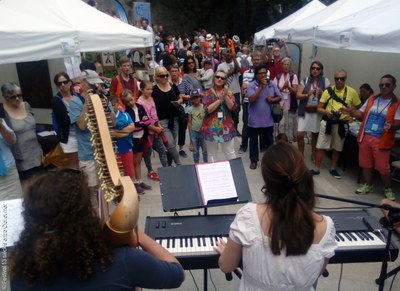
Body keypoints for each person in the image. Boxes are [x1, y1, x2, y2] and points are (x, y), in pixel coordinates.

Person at [9, 169, 185, 290]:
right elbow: (176, 274)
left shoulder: (21, 270)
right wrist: (137, 233)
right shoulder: (122, 262)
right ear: (86, 215)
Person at [214, 143, 337, 291]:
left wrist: (226, 253)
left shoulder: (248, 215)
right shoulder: (326, 225)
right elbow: (315, 274)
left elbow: (226, 266)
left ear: (267, 180)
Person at [341, 74, 400, 200]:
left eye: (387, 84)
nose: (384, 87)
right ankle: (368, 185)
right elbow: (361, 115)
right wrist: (351, 112)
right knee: (365, 163)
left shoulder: (397, 103)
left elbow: (398, 123)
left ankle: (388, 188)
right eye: (381, 84)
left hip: (382, 139)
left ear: (394, 86)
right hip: (366, 136)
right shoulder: (372, 99)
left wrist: (392, 126)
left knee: (383, 167)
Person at [310, 69, 361, 179]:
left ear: (345, 79)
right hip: (327, 122)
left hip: (341, 124)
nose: (339, 81)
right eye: (336, 78)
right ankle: (316, 168)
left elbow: (360, 108)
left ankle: (333, 168)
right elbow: (319, 108)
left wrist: (352, 116)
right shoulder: (328, 91)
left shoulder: (351, 92)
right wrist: (326, 112)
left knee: (337, 148)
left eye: (341, 79)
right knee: (320, 146)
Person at [1, 82, 43, 181]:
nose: (17, 98)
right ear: (5, 97)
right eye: (12, 97)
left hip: (36, 153)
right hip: (21, 158)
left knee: (40, 185)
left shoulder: (26, 105)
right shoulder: (3, 111)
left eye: (19, 95)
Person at [246, 65, 281, 170]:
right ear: (256, 75)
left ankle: (270, 162)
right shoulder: (251, 85)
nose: (263, 75)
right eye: (260, 73)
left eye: (264, 73)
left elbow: (279, 97)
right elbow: (251, 99)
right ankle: (253, 161)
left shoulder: (271, 84)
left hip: (268, 120)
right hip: (254, 121)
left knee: (269, 143)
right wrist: (261, 87)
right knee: (253, 142)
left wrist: (272, 100)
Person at [296, 61, 330, 164]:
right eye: (313, 68)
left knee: (315, 133)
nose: (315, 70)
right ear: (310, 70)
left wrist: (323, 93)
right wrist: (307, 94)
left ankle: (313, 153)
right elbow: (298, 95)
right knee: (300, 134)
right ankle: (301, 154)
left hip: (317, 112)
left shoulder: (326, 81)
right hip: (305, 110)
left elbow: (330, 97)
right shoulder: (305, 80)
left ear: (321, 70)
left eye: (317, 68)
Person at [120, 89, 153, 193]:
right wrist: (141, 123)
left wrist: (142, 122)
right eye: (128, 101)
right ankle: (134, 183)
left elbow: (148, 120)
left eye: (131, 99)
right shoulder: (126, 111)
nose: (130, 102)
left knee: (139, 160)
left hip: (142, 136)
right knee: (134, 161)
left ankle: (139, 180)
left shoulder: (140, 106)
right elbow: (133, 126)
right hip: (133, 138)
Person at [201, 70, 237, 162]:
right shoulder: (208, 93)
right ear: (214, 78)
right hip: (211, 129)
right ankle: (213, 174)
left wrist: (225, 96)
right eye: (217, 77)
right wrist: (219, 100)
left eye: (222, 78)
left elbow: (232, 107)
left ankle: (234, 172)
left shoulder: (229, 93)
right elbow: (207, 110)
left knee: (230, 153)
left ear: (225, 80)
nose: (219, 79)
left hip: (226, 129)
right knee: (212, 155)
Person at [137, 81, 168, 181]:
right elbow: (144, 121)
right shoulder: (139, 103)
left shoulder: (151, 99)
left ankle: (166, 169)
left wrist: (158, 124)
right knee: (148, 152)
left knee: (162, 149)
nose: (150, 91)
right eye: (148, 89)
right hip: (148, 131)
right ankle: (150, 170)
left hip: (156, 129)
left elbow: (155, 114)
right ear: (141, 90)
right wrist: (155, 128)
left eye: (151, 89)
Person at [51, 72, 81, 169]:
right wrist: (79, 114)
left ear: (70, 82)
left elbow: (86, 113)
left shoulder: (78, 96)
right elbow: (66, 119)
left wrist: (72, 114)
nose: (63, 85)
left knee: (84, 162)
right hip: (69, 137)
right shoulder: (56, 100)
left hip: (81, 135)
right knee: (74, 165)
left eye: (65, 82)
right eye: (60, 83)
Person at [153, 66, 182, 166]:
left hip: (174, 118)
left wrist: (179, 102)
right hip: (162, 120)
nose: (165, 77)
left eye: (166, 75)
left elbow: (180, 96)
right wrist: (156, 122)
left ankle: (169, 163)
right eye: (162, 76)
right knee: (170, 144)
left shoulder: (172, 85)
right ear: (157, 77)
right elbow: (152, 107)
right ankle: (178, 164)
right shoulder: (154, 90)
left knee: (172, 143)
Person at [109, 94, 136, 191]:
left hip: (126, 147)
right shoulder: (106, 118)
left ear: (117, 104)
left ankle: (130, 191)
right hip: (114, 149)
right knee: (116, 173)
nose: (111, 107)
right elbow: (109, 134)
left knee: (129, 170)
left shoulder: (125, 115)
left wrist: (116, 132)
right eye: (109, 105)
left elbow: (132, 128)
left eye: (113, 105)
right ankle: (119, 193)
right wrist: (124, 132)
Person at [239, 51, 262, 154]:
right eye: (254, 59)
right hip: (247, 102)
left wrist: (250, 86)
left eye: (258, 59)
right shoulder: (246, 73)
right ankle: (243, 145)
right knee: (246, 124)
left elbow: (264, 86)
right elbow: (244, 87)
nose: (256, 61)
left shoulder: (266, 72)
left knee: (260, 125)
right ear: (251, 61)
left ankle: (261, 146)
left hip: (260, 103)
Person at [273, 57, 299, 143]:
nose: (286, 66)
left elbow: (295, 91)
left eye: (288, 64)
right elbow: (274, 92)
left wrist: (288, 87)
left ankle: (288, 141)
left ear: (290, 66)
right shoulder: (277, 77)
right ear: (281, 66)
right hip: (280, 104)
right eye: (284, 64)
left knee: (289, 123)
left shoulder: (293, 76)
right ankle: (279, 141)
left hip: (290, 104)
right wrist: (283, 88)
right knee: (280, 123)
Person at [217, 48, 241, 134]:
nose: (228, 54)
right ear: (223, 55)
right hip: (225, 91)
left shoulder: (236, 63)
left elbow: (238, 69)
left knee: (236, 110)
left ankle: (235, 129)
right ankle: (226, 128)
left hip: (235, 91)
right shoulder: (221, 66)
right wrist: (230, 73)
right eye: (226, 53)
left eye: (230, 52)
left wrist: (234, 58)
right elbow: (220, 76)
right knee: (225, 110)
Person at [0, 117, 23, 200]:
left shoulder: (1, 121)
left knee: (17, 204)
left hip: (10, 173)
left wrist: (1, 126)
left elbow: (12, 140)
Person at [188, 90, 208, 164]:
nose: (196, 99)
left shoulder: (204, 107)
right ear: (191, 99)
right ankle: (196, 164)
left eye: (197, 97)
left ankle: (206, 163)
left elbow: (207, 119)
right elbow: (189, 123)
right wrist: (190, 137)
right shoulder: (190, 109)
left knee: (205, 150)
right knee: (195, 150)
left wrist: (204, 127)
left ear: (200, 97)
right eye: (194, 98)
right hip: (194, 132)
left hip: (204, 132)